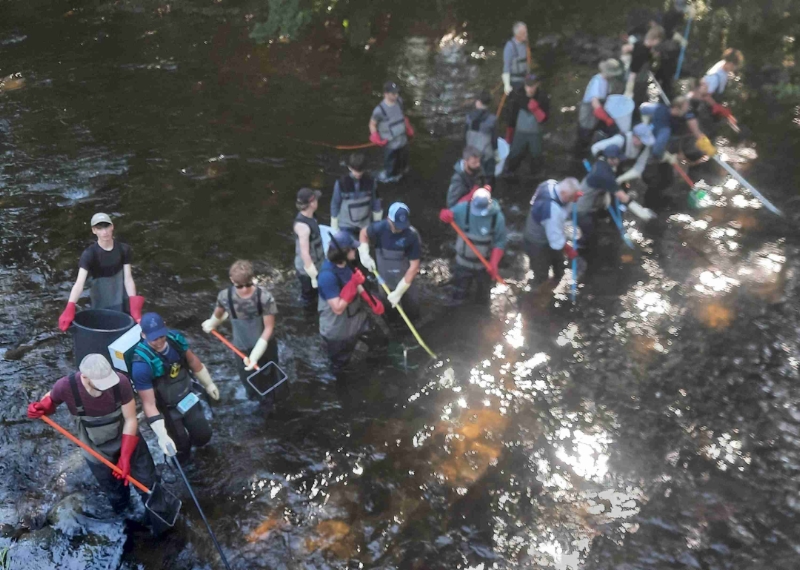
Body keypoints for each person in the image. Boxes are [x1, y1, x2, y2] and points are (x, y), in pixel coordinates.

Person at [26, 354, 166, 534]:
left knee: (149, 484)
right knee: (116, 493)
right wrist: (40, 408)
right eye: (102, 383)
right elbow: (50, 402)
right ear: (85, 377)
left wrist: (125, 457)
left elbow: (131, 419)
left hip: (128, 438)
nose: (107, 386)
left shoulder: (121, 382)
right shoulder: (67, 386)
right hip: (96, 449)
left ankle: (159, 522)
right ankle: (127, 524)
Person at [131, 313, 218, 463]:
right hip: (167, 410)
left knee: (203, 435)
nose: (159, 342)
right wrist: (162, 435)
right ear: (144, 335)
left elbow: (192, 361)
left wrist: (208, 383)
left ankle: (204, 456)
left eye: (161, 336)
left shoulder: (176, 340)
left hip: (187, 397)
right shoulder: (141, 366)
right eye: (154, 338)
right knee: (180, 447)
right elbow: (149, 404)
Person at [202, 260, 281, 405]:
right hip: (241, 350)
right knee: (250, 385)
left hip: (266, 347)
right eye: (239, 286)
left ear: (253, 279)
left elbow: (269, 328)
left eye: (248, 285)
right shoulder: (225, 297)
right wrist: (211, 323)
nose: (244, 290)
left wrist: (255, 355)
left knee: (272, 381)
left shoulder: (265, 297)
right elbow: (218, 314)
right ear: (232, 281)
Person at [58, 213, 145, 331]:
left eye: (106, 226)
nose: (104, 232)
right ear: (94, 230)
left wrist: (133, 302)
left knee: (126, 320)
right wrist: (70, 305)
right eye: (99, 228)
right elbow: (79, 283)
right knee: (103, 322)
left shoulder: (124, 249)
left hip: (120, 289)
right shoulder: (89, 254)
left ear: (112, 227)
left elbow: (128, 279)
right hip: (100, 292)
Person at [317, 231, 385, 375]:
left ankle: (377, 371)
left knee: (380, 342)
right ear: (344, 252)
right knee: (340, 367)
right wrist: (353, 284)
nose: (356, 250)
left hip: (357, 319)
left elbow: (358, 284)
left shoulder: (347, 265)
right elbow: (337, 308)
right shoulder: (326, 276)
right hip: (337, 329)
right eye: (353, 248)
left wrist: (372, 301)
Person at [438, 189, 507, 304]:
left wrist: (494, 263)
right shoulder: (462, 209)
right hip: (462, 264)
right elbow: (445, 215)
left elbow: (499, 242)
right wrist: (444, 215)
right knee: (457, 298)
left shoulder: (497, 218)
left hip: (484, 267)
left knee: (483, 300)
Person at [357, 202, 422, 320]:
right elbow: (363, 233)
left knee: (413, 312)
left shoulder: (412, 236)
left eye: (402, 225)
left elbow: (414, 267)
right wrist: (364, 253)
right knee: (390, 313)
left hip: (405, 280)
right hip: (384, 279)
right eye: (396, 225)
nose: (399, 229)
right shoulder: (379, 228)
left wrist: (399, 291)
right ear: (388, 219)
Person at [524, 178, 583, 286]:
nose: (572, 200)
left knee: (559, 266)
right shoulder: (552, 210)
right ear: (563, 193)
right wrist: (569, 250)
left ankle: (556, 279)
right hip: (537, 241)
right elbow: (556, 242)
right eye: (570, 197)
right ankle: (537, 291)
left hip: (546, 228)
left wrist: (573, 197)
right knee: (541, 275)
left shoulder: (550, 183)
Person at [576, 145, 631, 253]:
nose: (620, 161)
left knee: (593, 225)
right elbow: (623, 198)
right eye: (618, 159)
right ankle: (580, 248)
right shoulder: (605, 176)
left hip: (584, 201)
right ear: (611, 159)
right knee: (588, 233)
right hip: (581, 210)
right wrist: (631, 200)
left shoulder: (600, 164)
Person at [640, 97, 716, 161]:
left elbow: (643, 107)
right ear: (677, 108)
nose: (687, 110)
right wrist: (665, 156)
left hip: (653, 129)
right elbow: (658, 147)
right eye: (685, 109)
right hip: (658, 138)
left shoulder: (661, 107)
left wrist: (643, 121)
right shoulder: (665, 129)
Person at [503, 74, 549, 176]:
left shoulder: (543, 97)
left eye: (532, 86)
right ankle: (510, 172)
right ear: (524, 85)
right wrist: (509, 133)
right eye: (528, 86)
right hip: (520, 131)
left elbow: (545, 119)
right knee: (515, 152)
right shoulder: (517, 95)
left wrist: (536, 110)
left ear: (537, 84)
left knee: (536, 154)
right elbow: (511, 116)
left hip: (535, 132)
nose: (530, 89)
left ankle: (535, 174)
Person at [369, 81, 414, 183]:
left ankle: (402, 173)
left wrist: (408, 126)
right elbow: (372, 124)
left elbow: (402, 116)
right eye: (393, 93)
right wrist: (375, 136)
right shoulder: (379, 110)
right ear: (386, 94)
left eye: (397, 93)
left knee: (403, 160)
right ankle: (388, 176)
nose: (396, 95)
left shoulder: (399, 101)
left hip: (402, 140)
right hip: (390, 143)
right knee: (391, 163)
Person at [331, 153, 382, 237]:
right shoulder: (341, 183)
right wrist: (334, 226)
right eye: (355, 171)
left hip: (364, 225)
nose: (358, 174)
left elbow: (376, 202)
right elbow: (335, 203)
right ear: (349, 167)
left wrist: (377, 222)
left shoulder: (371, 182)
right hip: (345, 226)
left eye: (360, 171)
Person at [577, 59, 624, 148]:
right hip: (588, 113)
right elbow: (595, 105)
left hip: (597, 113)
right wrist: (607, 119)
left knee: (594, 129)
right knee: (585, 134)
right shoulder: (597, 83)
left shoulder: (607, 80)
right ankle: (580, 150)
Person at [292, 188, 326, 309]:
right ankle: (307, 314)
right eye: (316, 199)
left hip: (318, 263)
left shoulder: (311, 217)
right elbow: (305, 253)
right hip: (307, 270)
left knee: (317, 293)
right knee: (308, 298)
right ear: (311, 203)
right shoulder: (303, 227)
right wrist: (312, 274)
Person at [591, 123, 656, 185]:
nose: (643, 144)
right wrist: (602, 164)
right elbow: (595, 148)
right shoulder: (621, 140)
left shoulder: (644, 148)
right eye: (641, 140)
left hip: (619, 169)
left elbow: (638, 169)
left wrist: (619, 179)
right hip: (603, 164)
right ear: (635, 136)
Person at [622, 25, 665, 108]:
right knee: (635, 100)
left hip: (641, 77)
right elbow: (634, 68)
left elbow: (626, 48)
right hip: (637, 79)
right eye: (659, 41)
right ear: (655, 39)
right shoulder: (641, 50)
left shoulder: (642, 45)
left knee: (640, 99)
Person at [697, 48, 744, 121]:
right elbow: (705, 96)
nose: (734, 69)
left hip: (716, 99)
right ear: (730, 63)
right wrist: (720, 109)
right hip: (704, 111)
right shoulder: (714, 78)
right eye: (734, 66)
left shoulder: (723, 64)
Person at [465, 90, 498, 187]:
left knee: (473, 178)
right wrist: (496, 154)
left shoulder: (468, 117)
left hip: (471, 154)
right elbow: (494, 140)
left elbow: (464, 137)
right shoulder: (492, 119)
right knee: (489, 178)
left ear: (478, 102)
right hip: (486, 155)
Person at [502, 22, 529, 95]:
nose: (526, 35)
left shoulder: (525, 44)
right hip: (515, 82)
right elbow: (506, 66)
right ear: (518, 34)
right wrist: (507, 84)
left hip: (526, 80)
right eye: (524, 33)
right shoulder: (510, 46)